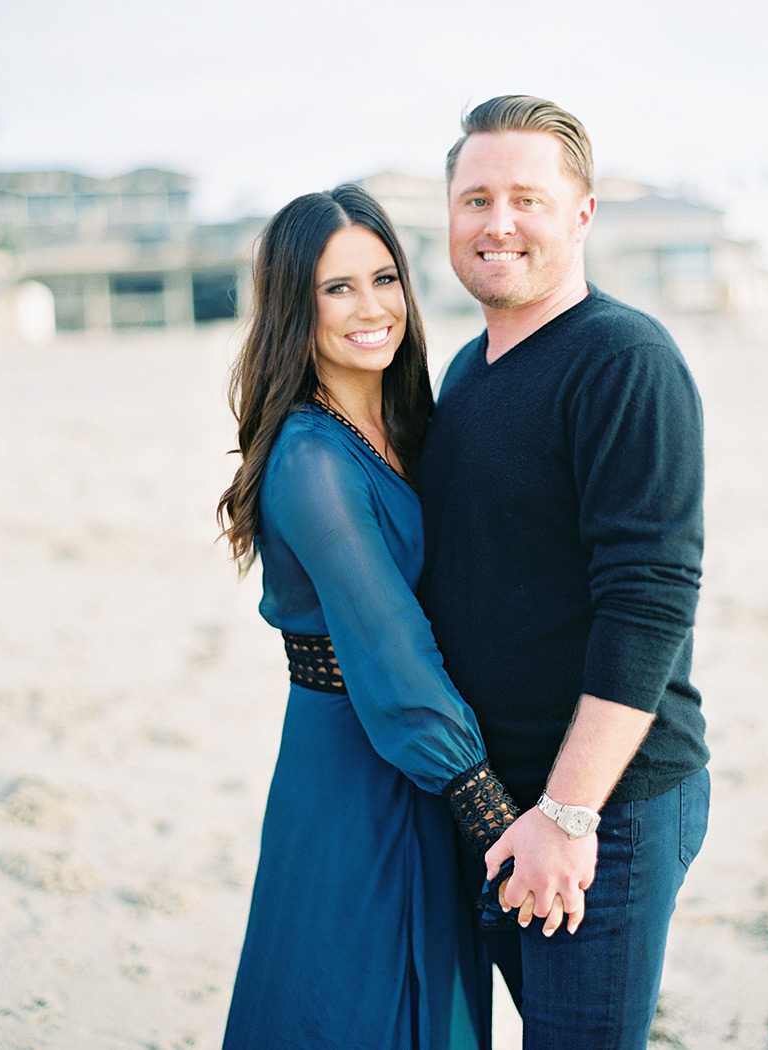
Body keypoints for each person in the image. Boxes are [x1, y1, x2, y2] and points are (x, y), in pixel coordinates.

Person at [216, 183, 549, 1050]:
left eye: (384, 279)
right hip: (356, 764)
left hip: (425, 751)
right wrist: (488, 807)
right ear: (298, 308)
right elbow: (390, 647)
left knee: (431, 997)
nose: (372, 309)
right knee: (348, 998)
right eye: (338, 289)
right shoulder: (309, 458)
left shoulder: (410, 418)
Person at [417, 95, 711, 1049]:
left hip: (601, 809)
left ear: (580, 216)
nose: (497, 223)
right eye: (475, 199)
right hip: (490, 797)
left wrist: (568, 813)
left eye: (527, 199)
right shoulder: (466, 372)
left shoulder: (623, 360)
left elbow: (651, 595)